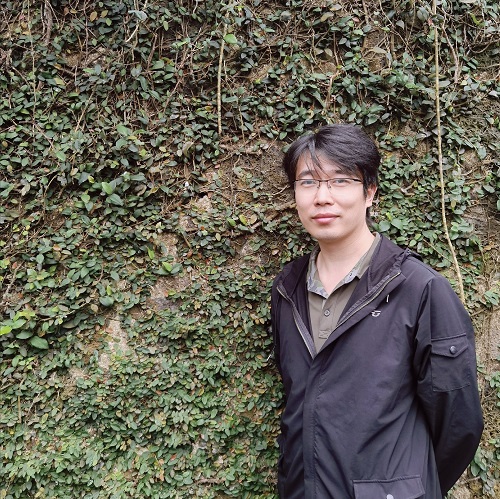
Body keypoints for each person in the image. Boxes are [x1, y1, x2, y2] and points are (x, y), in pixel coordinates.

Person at [271, 124, 483, 498]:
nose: (322, 197)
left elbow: (458, 423)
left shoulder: (419, 288)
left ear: (369, 191)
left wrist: (405, 487)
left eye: (340, 181)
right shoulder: (288, 288)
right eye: (308, 182)